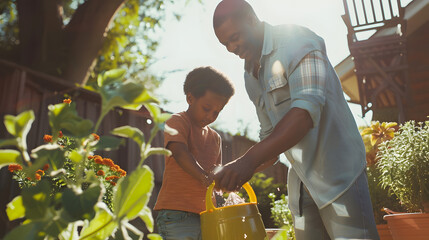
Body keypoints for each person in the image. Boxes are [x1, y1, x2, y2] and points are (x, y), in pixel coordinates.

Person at [212, 0, 379, 239]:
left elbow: (304, 114)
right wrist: (235, 171)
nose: (231, 47)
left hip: (339, 177)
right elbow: (269, 140)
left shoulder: (298, 42)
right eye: (225, 43)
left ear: (250, 18)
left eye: (234, 37)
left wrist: (247, 162)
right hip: (302, 186)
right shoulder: (251, 75)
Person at [154, 66, 235, 240]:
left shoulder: (215, 137)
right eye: (207, 108)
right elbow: (179, 152)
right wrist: (203, 176)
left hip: (207, 214)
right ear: (190, 98)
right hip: (177, 213)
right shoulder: (177, 121)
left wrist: (223, 180)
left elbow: (215, 169)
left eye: (217, 112)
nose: (211, 116)